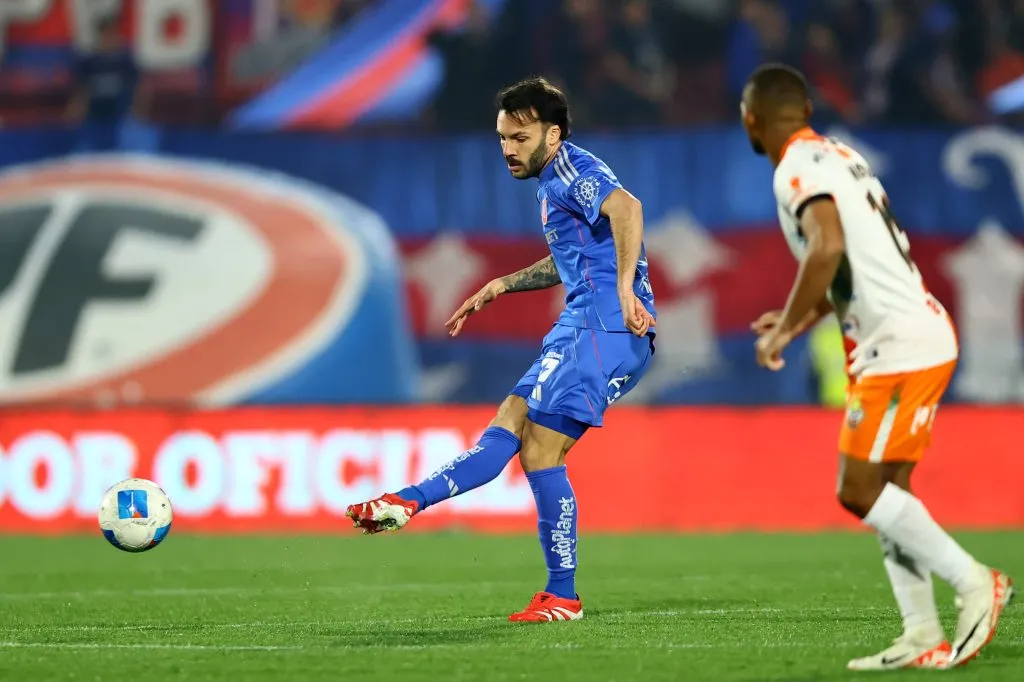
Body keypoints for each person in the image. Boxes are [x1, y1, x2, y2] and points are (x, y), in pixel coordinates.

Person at [346, 76, 657, 623]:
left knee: (540, 451)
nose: (508, 150)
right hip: (583, 323)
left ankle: (563, 595)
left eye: (520, 137)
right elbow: (572, 259)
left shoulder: (570, 172)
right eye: (502, 139)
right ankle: (406, 501)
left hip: (604, 326)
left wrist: (627, 288)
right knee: (508, 424)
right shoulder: (555, 178)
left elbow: (627, 210)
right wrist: (502, 284)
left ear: (552, 135)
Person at [741, 63, 1014, 670]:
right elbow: (847, 265)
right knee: (892, 491)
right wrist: (799, 316)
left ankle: (975, 583)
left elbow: (829, 247)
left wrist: (786, 325)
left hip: (899, 344)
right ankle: (921, 632)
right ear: (807, 110)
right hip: (912, 330)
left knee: (858, 489)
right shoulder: (840, 156)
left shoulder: (794, 170)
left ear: (751, 120)